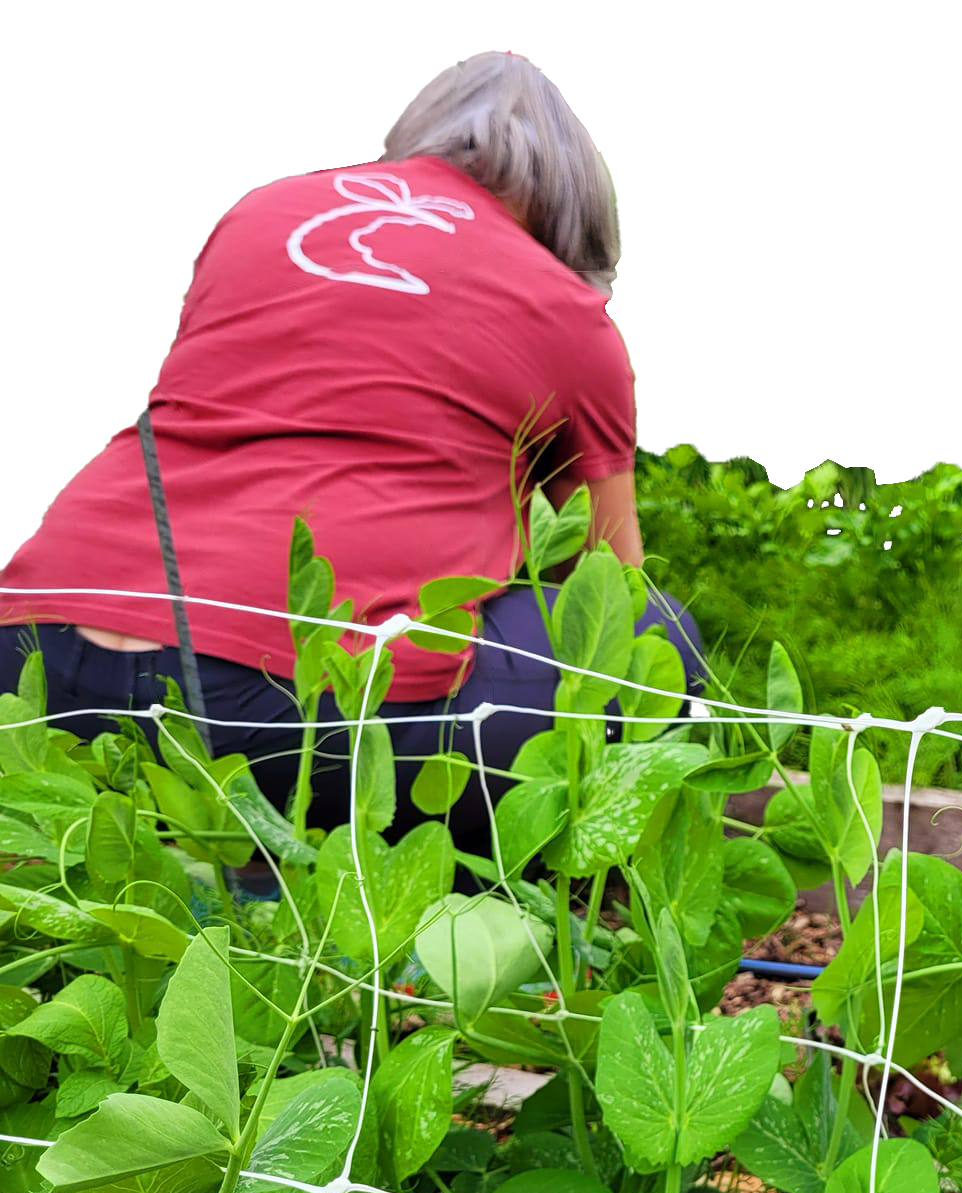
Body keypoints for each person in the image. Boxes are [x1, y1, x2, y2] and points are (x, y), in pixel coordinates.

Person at [0, 52, 701, 850]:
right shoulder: (563, 305)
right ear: (579, 186)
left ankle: (219, 872)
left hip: (39, 655)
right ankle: (444, 915)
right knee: (655, 639)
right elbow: (610, 580)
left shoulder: (261, 216)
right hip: (269, 709)